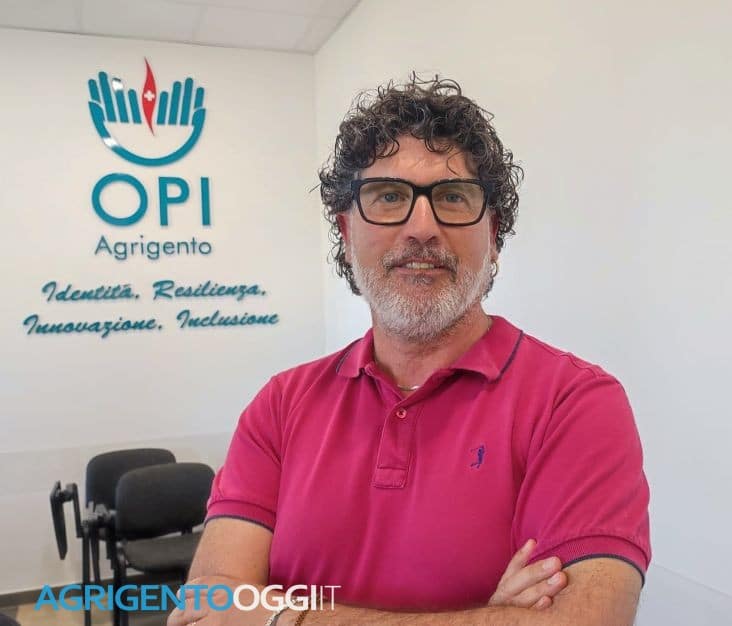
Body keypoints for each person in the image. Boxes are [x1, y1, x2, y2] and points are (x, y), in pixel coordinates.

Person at [168, 76, 651, 626]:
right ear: (345, 232)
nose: (422, 228)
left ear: (494, 234)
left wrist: (281, 617)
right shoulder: (280, 406)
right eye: (389, 197)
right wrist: (490, 616)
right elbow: (209, 606)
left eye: (452, 197)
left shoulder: (575, 403)